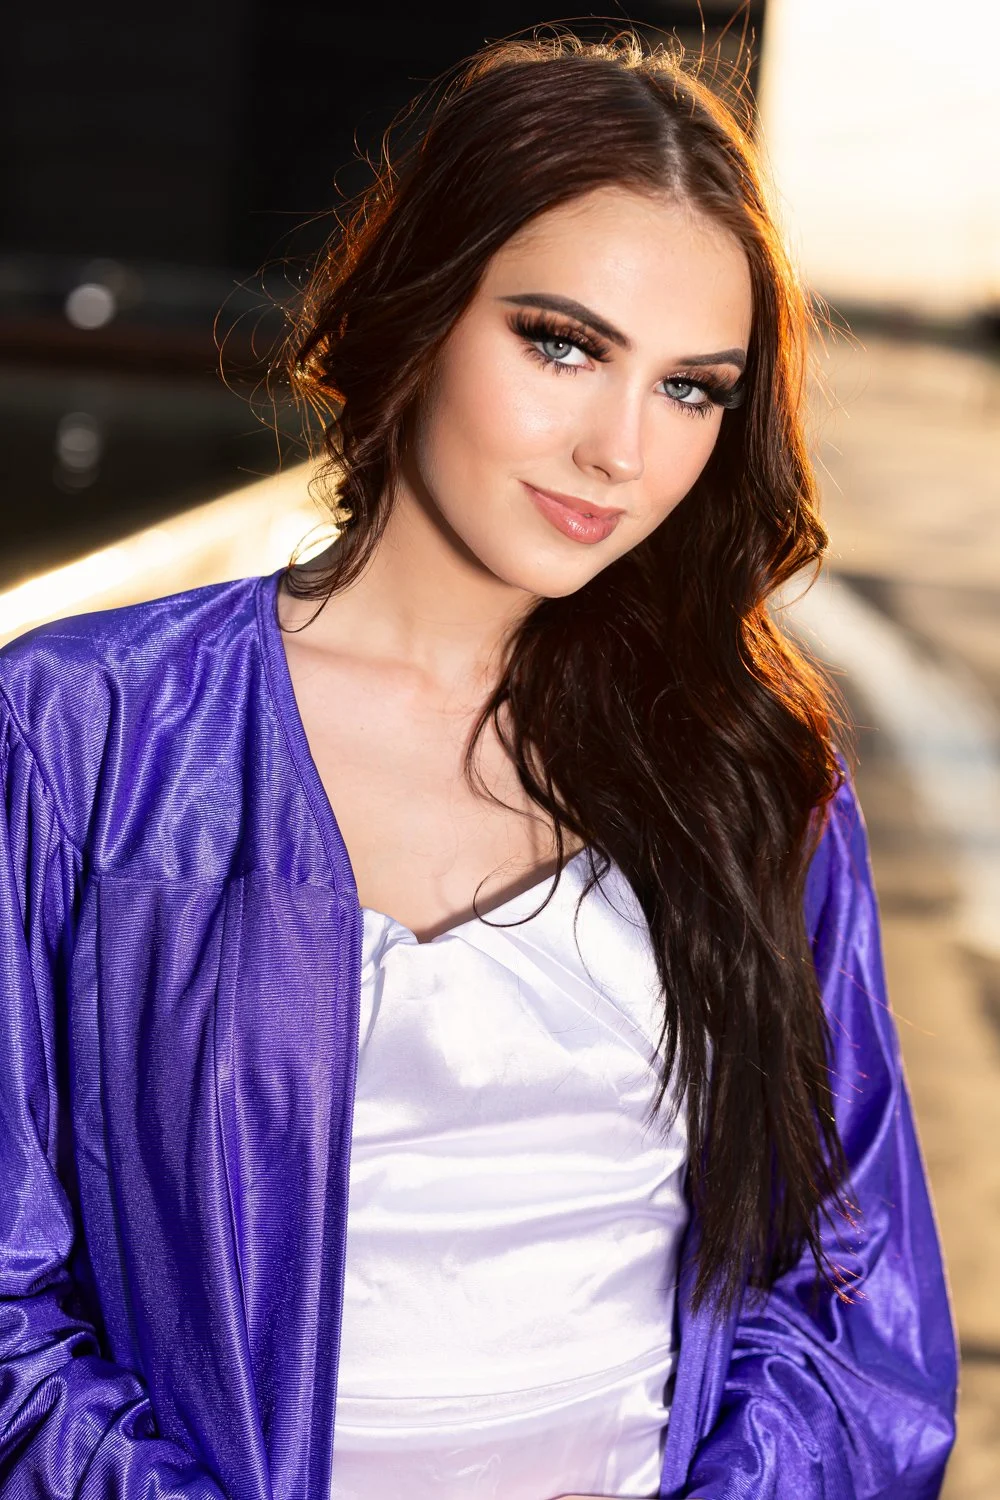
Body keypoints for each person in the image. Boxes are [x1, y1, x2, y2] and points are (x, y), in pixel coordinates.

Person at [0, 28, 957, 1500]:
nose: (618, 451)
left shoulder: (743, 769)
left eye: (693, 388)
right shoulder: (88, 735)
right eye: (562, 343)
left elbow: (851, 1307)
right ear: (422, 303)